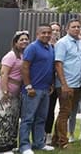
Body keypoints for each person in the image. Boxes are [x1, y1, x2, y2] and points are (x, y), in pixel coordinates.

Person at [0, 31, 28, 153]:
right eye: (21, 40)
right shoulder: (11, 56)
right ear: (15, 42)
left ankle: (9, 145)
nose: (24, 41)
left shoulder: (23, 55)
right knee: (1, 118)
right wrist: (5, 91)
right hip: (3, 91)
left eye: (26, 39)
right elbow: (4, 73)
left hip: (16, 92)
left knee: (12, 118)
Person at [19, 24, 56, 154]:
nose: (46, 35)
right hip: (32, 90)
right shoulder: (32, 48)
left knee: (41, 118)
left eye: (48, 32)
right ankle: (24, 146)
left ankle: (39, 143)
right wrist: (28, 86)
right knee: (28, 119)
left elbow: (50, 68)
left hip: (45, 89)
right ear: (37, 34)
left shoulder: (51, 48)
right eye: (43, 33)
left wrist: (51, 84)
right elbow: (24, 68)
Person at [53, 19, 81, 149]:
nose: (76, 29)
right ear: (67, 29)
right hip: (67, 84)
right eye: (73, 27)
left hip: (77, 84)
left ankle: (55, 139)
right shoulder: (62, 43)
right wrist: (64, 84)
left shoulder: (80, 42)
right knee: (65, 112)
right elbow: (58, 64)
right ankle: (63, 141)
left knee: (66, 112)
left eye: (78, 27)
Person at [45, 22, 61, 146]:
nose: (55, 32)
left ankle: (58, 136)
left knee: (61, 110)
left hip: (60, 83)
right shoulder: (45, 46)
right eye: (53, 30)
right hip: (48, 83)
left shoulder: (61, 46)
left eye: (57, 30)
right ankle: (46, 135)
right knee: (48, 110)